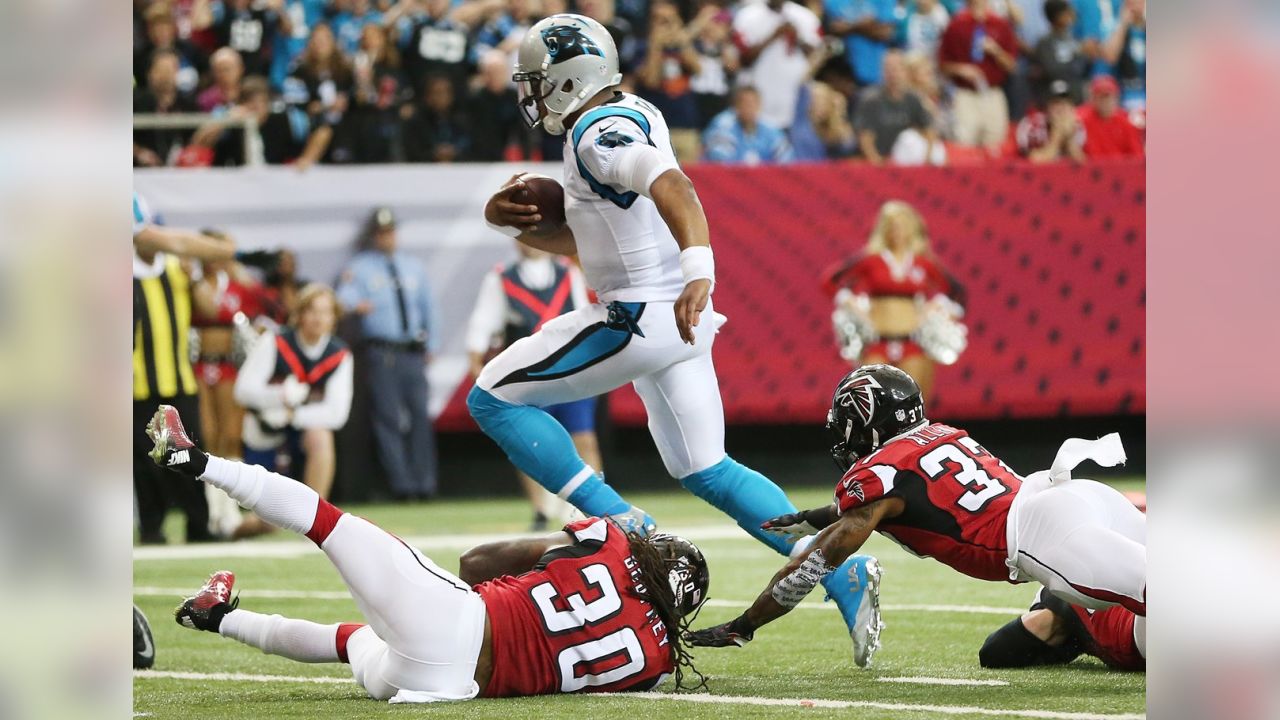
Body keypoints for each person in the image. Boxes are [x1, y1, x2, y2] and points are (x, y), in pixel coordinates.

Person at [477, 14, 883, 667]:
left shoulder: (596, 133)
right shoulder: (630, 109)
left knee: (491, 397)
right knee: (707, 468)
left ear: (567, 80)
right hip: (678, 320)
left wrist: (700, 269)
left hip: (640, 315)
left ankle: (623, 521)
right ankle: (843, 575)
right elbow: (597, 239)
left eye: (536, 81)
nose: (529, 92)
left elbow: (674, 186)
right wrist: (516, 228)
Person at [147, 404, 710, 701]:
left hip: (457, 622)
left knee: (324, 520)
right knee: (352, 641)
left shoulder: (610, 544)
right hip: (444, 687)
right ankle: (218, 616)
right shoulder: (656, 666)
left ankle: (194, 463)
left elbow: (480, 561)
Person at [687, 365, 1147, 676]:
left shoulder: (878, 478)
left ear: (866, 423)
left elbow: (821, 558)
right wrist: (810, 518)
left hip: (1044, 537)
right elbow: (901, 501)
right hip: (1074, 494)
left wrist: (746, 623)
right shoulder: (935, 435)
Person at [466, 243, 600, 531]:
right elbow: (482, 322)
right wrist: (477, 362)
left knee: (584, 436)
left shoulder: (567, 271)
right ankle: (541, 508)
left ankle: (592, 505)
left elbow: (583, 315)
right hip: (527, 371)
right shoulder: (501, 277)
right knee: (527, 440)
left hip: (569, 367)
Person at [132, 191, 236, 544]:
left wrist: (192, 276)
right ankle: (151, 528)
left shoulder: (177, 269)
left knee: (190, 456)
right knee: (145, 463)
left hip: (178, 379)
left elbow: (209, 308)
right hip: (135, 383)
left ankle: (199, 525)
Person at [233, 283, 353, 538]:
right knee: (266, 521)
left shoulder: (339, 355)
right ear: (299, 314)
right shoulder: (275, 342)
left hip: (299, 435)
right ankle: (230, 529)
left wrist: (293, 415)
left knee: (321, 436)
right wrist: (280, 395)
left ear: (334, 318)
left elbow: (336, 414)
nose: (318, 318)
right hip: (265, 433)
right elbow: (242, 391)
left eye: (326, 312)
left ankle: (316, 519)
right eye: (312, 310)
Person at [336, 207, 439, 501]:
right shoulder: (360, 267)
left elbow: (429, 307)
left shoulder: (413, 267)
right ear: (373, 236)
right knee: (388, 419)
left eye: (390, 231)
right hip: (383, 351)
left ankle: (425, 483)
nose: (387, 237)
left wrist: (432, 343)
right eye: (381, 233)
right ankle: (402, 485)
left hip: (412, 350)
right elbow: (344, 298)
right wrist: (357, 304)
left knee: (420, 418)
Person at [821, 200, 965, 402]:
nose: (898, 232)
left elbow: (957, 292)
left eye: (903, 226)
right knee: (871, 401)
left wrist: (939, 308)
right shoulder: (872, 260)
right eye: (893, 226)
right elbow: (831, 281)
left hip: (912, 342)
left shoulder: (923, 263)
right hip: (877, 341)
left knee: (913, 403)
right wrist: (850, 303)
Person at [191, 253, 263, 465]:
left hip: (229, 363)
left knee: (231, 434)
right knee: (206, 433)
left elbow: (260, 308)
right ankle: (209, 492)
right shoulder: (190, 285)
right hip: (199, 364)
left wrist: (237, 268)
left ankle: (229, 493)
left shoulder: (236, 286)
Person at [937, 0, 1018, 152]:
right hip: (965, 94)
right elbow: (943, 65)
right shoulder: (956, 25)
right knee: (964, 143)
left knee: (995, 144)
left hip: (992, 93)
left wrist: (996, 51)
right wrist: (961, 69)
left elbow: (1012, 66)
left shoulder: (1000, 25)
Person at [732, 0, 822, 131]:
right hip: (757, 95)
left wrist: (798, 38)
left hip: (794, 95)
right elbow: (742, 61)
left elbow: (817, 56)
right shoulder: (746, 16)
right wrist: (774, 35)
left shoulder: (805, 16)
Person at [636, 0, 702, 163]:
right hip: (654, 128)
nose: (664, 26)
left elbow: (697, 68)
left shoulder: (686, 45)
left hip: (685, 126)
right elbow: (651, 80)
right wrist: (656, 46)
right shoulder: (642, 47)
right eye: (659, 20)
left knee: (693, 182)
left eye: (669, 20)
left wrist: (681, 38)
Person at [853, 50, 941, 166]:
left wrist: (928, 157)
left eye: (896, 68)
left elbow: (929, 129)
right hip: (882, 157)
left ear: (904, 71)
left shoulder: (913, 98)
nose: (892, 73)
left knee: (916, 141)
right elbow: (865, 137)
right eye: (888, 68)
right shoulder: (871, 100)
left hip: (907, 156)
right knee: (908, 139)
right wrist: (877, 162)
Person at [134, 48, 199, 167]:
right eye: (161, 70)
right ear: (150, 74)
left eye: (170, 70)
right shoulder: (135, 102)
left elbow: (195, 140)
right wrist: (138, 152)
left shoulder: (189, 105)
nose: (166, 76)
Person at [701, 86, 794, 164]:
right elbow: (720, 164)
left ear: (759, 105)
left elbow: (786, 162)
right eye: (745, 103)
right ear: (736, 106)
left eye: (752, 104)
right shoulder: (723, 126)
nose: (749, 108)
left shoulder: (771, 129)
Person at [822, 0, 896, 88]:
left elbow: (885, 33)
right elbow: (833, 29)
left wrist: (849, 27)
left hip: (875, 74)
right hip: (843, 78)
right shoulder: (831, 2)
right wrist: (865, 24)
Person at [1028, 0, 1087, 107]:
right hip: (1054, 100)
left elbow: (1081, 70)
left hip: (1076, 99)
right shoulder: (1044, 42)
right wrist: (1077, 56)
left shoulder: (1074, 40)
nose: (1072, 15)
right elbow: (1052, 70)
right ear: (1057, 16)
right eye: (1067, 12)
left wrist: (1085, 56)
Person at [1016, 79, 1084, 163]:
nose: (1061, 108)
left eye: (1066, 103)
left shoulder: (1078, 126)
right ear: (1047, 107)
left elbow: (1083, 165)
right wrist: (1057, 136)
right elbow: (1033, 163)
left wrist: (1069, 140)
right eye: (1056, 103)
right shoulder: (1031, 125)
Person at [1077, 74, 1143, 159]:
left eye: (1108, 97)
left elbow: (1137, 157)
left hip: (1120, 170)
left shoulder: (1126, 123)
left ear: (1116, 98)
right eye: (1101, 97)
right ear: (1093, 99)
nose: (1105, 102)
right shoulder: (1082, 120)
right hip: (1092, 170)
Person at [1102, 0, 1145, 112]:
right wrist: (1123, 23)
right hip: (1124, 98)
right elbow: (1110, 56)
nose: (1135, 7)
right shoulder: (1115, 28)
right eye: (1130, 3)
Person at [197, 47, 244, 112]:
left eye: (227, 69)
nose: (224, 74)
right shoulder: (205, 99)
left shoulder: (249, 95)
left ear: (240, 69)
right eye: (219, 70)